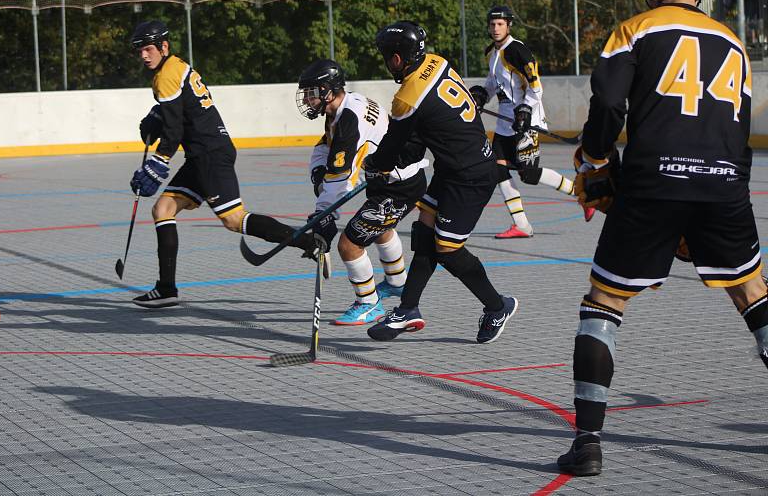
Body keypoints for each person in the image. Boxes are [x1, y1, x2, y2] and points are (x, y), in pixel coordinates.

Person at [557, 0, 767, 476]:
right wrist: (721, 195)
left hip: (653, 182)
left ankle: (587, 442)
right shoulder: (734, 43)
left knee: (603, 302)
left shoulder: (636, 29)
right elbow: (739, 131)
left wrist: (599, 162)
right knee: (754, 294)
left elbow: (608, 102)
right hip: (723, 185)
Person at [128, 20, 324, 308]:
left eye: (148, 49)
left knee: (234, 220)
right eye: (139, 51)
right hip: (204, 153)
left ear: (164, 47)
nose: (144, 56)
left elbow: (174, 132)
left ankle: (310, 243)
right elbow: (181, 114)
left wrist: (158, 162)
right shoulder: (177, 67)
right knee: (163, 209)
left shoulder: (165, 77)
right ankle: (166, 289)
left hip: (209, 154)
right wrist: (158, 114)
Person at [364, 20, 518, 344]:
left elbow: (395, 144)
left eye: (385, 55)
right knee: (424, 228)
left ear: (398, 57)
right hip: (454, 166)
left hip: (471, 175)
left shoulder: (407, 96)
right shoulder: (437, 61)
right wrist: (390, 162)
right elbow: (417, 136)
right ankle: (408, 309)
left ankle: (497, 306)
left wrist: (375, 165)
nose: (385, 61)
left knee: (447, 248)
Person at [296, 59, 429, 325]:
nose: (307, 99)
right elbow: (327, 145)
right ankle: (397, 283)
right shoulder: (345, 106)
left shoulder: (348, 120)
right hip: (391, 180)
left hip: (399, 185)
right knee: (379, 229)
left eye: (312, 92)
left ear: (327, 90)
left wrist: (324, 214)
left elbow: (340, 178)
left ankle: (369, 304)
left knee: (350, 244)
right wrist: (317, 170)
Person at [469, 5, 594, 239]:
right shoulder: (491, 52)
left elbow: (536, 88)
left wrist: (525, 111)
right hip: (506, 123)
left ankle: (584, 196)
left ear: (509, 26)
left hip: (527, 120)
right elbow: (493, 82)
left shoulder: (518, 51)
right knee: (498, 169)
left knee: (529, 174)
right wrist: (481, 96)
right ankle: (522, 225)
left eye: (500, 24)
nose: (496, 28)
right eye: (492, 24)